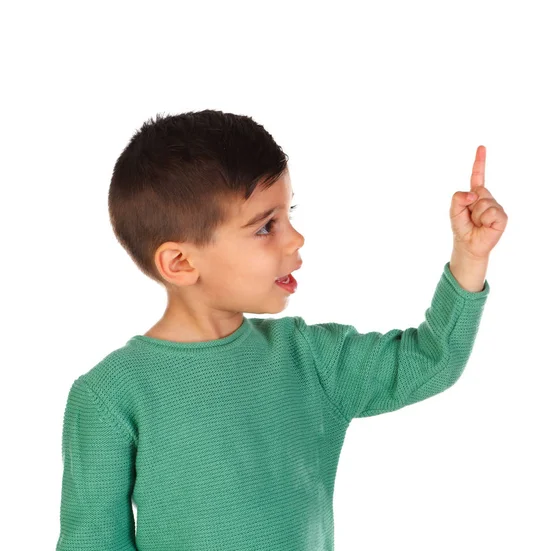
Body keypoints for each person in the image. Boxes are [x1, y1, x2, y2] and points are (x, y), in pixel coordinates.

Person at [55, 110, 507, 550]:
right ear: (181, 262)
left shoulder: (309, 358)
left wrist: (469, 259)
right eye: (266, 227)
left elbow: (430, 361)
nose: (295, 239)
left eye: (289, 214)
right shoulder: (109, 395)